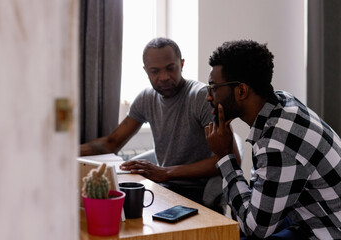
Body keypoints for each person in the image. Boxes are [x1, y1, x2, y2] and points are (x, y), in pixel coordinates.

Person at [80, 37, 240, 210]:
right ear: (146, 71)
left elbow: (231, 158)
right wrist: (64, 153)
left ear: (182, 64)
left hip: (198, 192)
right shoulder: (146, 98)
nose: (163, 77)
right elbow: (111, 143)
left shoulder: (201, 97)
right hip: (165, 188)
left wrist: (165, 172)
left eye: (171, 68)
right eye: (155, 71)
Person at [204, 40, 341, 239]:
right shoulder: (282, 103)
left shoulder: (278, 143)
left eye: (213, 88)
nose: (209, 97)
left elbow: (255, 229)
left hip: (327, 231)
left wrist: (224, 156)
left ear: (241, 90)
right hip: (308, 217)